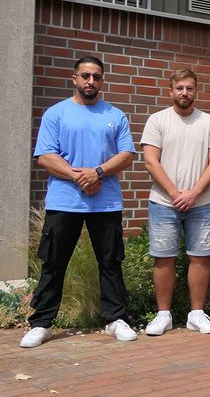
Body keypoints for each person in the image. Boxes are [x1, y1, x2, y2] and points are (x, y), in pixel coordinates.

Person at [22, 56, 138, 348]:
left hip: (106, 203)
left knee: (110, 262)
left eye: (96, 76)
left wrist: (96, 172)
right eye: (85, 75)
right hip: (64, 202)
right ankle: (42, 323)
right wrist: (79, 178)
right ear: (74, 79)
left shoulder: (116, 115)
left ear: (102, 80)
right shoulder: (56, 113)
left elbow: (126, 154)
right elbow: (46, 156)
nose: (91, 81)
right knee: (53, 263)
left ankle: (115, 319)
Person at [141, 69, 210, 336]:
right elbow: (150, 161)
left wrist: (193, 193)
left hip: (201, 203)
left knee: (200, 257)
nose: (184, 93)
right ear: (170, 91)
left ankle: (197, 314)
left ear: (196, 91)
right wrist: (175, 193)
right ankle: (163, 315)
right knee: (163, 258)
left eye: (189, 88)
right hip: (163, 202)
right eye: (179, 88)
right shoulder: (157, 121)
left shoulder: (209, 122)